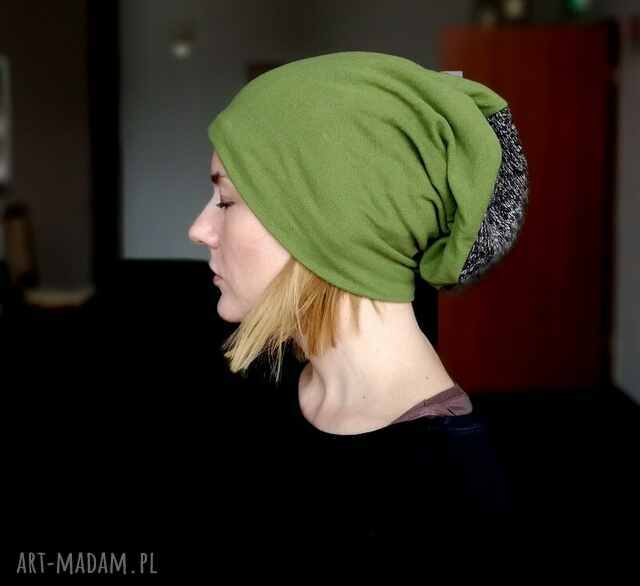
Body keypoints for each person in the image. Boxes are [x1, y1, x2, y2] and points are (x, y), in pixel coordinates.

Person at [188, 51, 528, 538]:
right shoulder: (262, 374)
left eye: (225, 200)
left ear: (334, 229)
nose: (199, 229)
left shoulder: (450, 493)